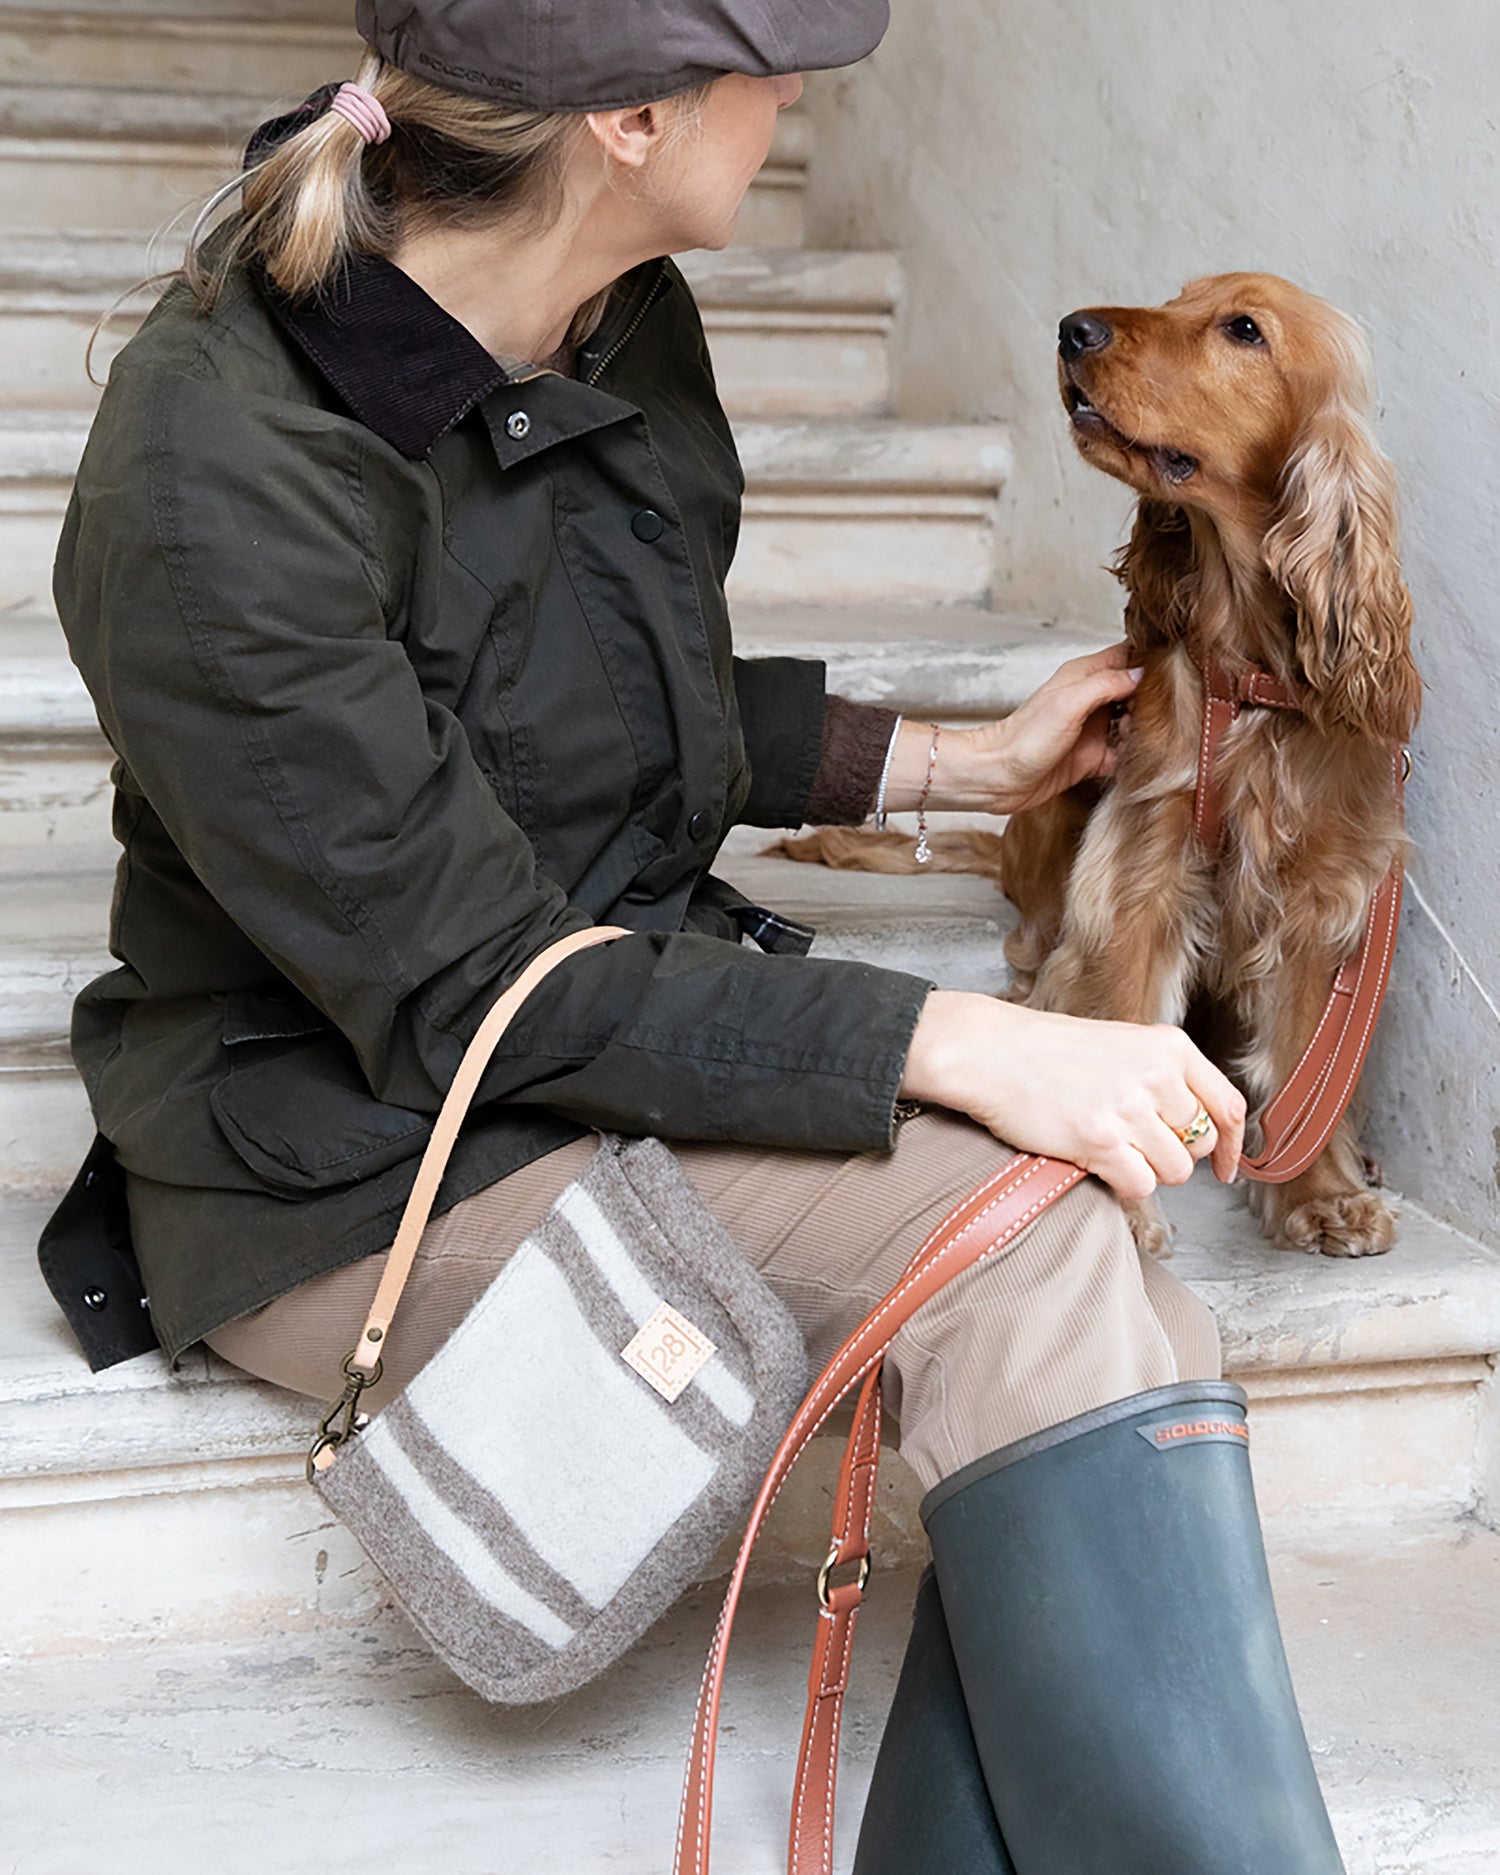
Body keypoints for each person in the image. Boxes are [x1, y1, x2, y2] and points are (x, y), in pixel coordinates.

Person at [40, 1, 1346, 1867]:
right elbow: (464, 984)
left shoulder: (614, 310)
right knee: (1043, 1259)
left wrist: (954, 762)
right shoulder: (216, 470)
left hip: (583, 1021)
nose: (799, 90)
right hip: (355, 1151)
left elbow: (588, 693)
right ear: (633, 121)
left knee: (1120, 1296)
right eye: (765, 60)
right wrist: (959, 1038)